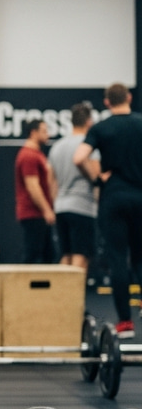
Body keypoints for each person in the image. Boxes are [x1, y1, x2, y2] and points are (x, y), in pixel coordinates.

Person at [74, 83, 142, 338]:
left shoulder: (101, 128)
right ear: (129, 98)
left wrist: (97, 179)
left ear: (106, 103)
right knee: (140, 258)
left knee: (117, 260)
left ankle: (125, 323)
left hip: (113, 198)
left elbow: (79, 158)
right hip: (140, 196)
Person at [48, 103, 100, 274]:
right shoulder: (89, 145)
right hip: (82, 207)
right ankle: (73, 299)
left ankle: (61, 298)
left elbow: (51, 182)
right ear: (89, 122)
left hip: (61, 207)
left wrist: (54, 206)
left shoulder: (57, 146)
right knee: (81, 255)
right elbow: (96, 176)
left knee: (66, 255)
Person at [14, 118, 56, 263]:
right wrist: (46, 210)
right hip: (33, 214)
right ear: (33, 133)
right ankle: (23, 286)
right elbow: (33, 186)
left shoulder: (37, 154)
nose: (48, 135)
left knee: (48, 256)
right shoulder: (28, 156)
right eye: (44, 131)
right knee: (32, 255)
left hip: (39, 214)